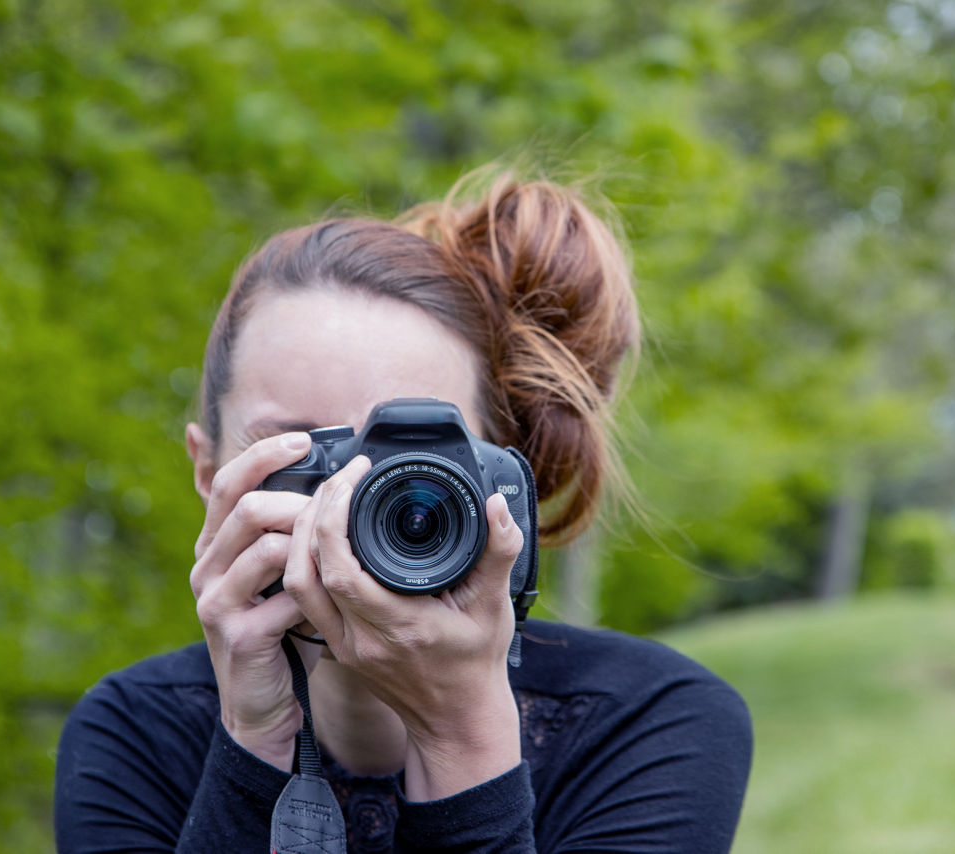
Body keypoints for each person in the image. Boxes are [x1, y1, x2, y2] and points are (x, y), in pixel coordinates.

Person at [54, 173, 752, 853]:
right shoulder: (133, 735)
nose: (349, 504)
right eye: (308, 450)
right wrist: (253, 742)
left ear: (502, 480)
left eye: (410, 459)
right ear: (210, 473)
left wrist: (463, 738)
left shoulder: (648, 724)